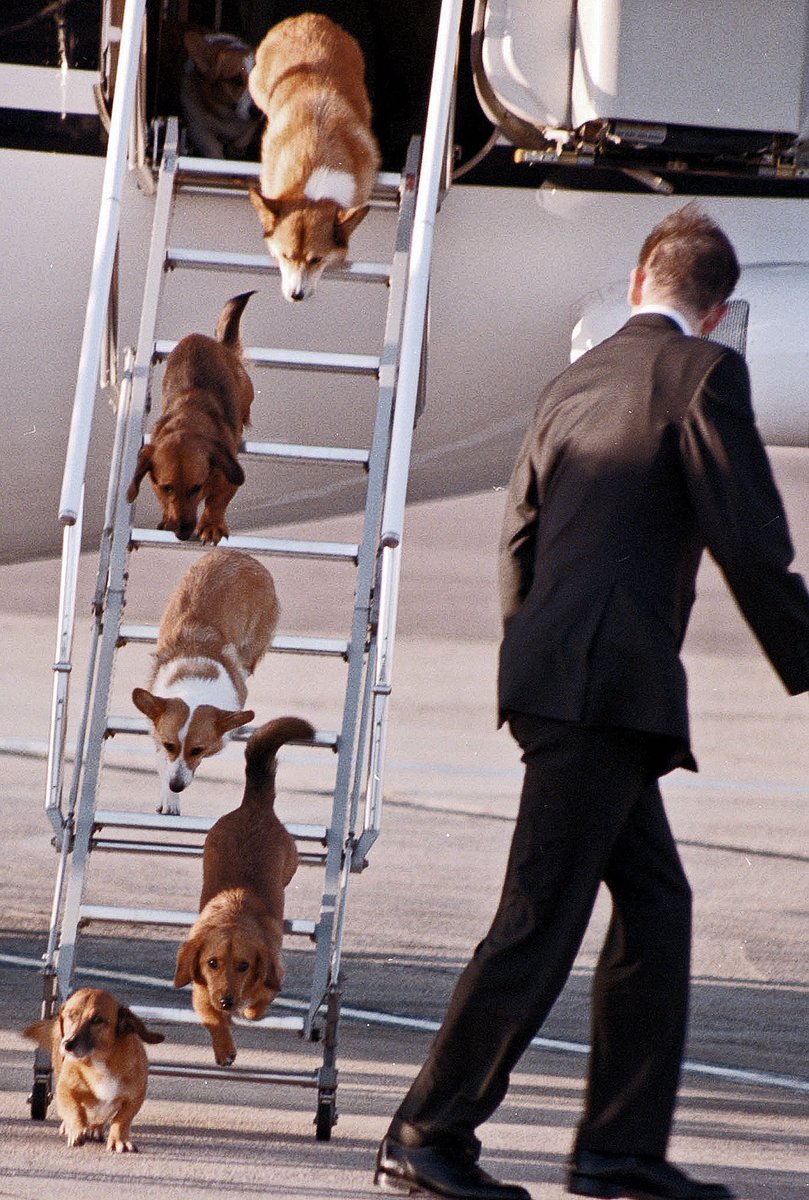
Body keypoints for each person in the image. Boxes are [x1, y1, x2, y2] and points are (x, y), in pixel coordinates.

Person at [373, 204, 809, 1200]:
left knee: (654, 908)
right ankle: (424, 1132)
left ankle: (617, 1151)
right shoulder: (704, 374)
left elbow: (518, 529)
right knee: (536, 917)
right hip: (604, 686)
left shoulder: (570, 380)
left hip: (555, 677)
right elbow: (744, 534)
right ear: (718, 309)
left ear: (635, 289)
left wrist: (529, 655)